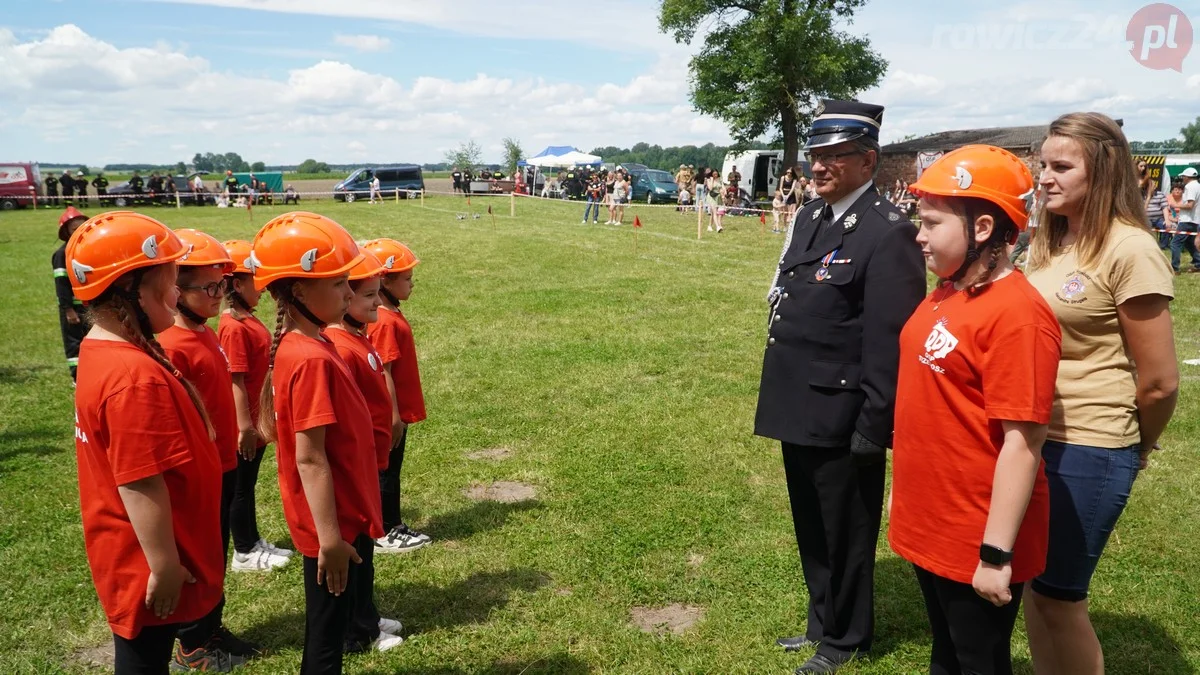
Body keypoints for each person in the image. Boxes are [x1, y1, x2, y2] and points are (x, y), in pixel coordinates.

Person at [756, 99, 925, 675]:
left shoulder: (886, 232)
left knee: (847, 529)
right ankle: (820, 619)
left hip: (844, 410)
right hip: (799, 398)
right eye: (815, 155)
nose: (818, 166)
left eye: (833, 156)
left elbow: (888, 340)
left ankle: (847, 637)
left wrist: (873, 426)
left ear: (867, 160)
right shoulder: (812, 217)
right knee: (811, 519)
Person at [890, 145, 1062, 675]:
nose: (919, 235)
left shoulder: (1018, 317)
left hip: (975, 532)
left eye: (932, 223)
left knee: (977, 661)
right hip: (933, 516)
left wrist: (994, 555)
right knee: (946, 654)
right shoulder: (947, 291)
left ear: (983, 227)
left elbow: (1023, 442)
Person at [1023, 112, 1179, 675]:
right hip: (1033, 436)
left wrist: (1137, 448)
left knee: (1060, 598)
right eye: (1044, 164)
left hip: (1089, 444)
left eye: (1061, 166)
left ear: (1105, 170)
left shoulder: (1130, 249)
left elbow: (1160, 381)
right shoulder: (1052, 239)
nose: (1045, 176)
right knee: (1036, 590)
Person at [68, 211, 225, 674]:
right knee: (143, 662)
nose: (176, 293)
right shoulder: (132, 377)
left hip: (134, 552)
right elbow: (140, 480)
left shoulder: (103, 350)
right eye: (169, 280)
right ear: (129, 289)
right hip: (148, 561)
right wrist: (164, 565)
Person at [252, 211, 387, 673]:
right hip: (329, 525)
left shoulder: (315, 343)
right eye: (338, 285)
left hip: (336, 516)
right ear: (297, 292)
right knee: (326, 643)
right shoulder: (309, 357)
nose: (350, 294)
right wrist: (329, 540)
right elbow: (310, 460)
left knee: (328, 629)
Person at [158, 229, 262, 670]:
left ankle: (211, 626)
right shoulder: (170, 346)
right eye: (209, 288)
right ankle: (192, 642)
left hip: (223, 463)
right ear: (175, 290)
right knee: (198, 556)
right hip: (200, 471)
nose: (219, 295)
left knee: (215, 552)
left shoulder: (207, 332)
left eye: (223, 285)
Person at [324, 250, 406, 655]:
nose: (377, 302)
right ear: (344, 299)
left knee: (367, 547)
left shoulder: (359, 337)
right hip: (355, 467)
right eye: (369, 295)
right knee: (357, 552)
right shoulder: (342, 346)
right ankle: (356, 630)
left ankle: (365, 615)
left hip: (370, 462)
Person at [217, 239, 294, 573]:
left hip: (257, 421)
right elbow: (235, 379)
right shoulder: (233, 326)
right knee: (241, 488)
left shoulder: (245, 319)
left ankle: (252, 539)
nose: (261, 288)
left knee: (247, 485)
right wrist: (245, 428)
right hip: (246, 425)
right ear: (237, 283)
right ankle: (244, 550)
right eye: (254, 281)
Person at [362, 238, 430, 553]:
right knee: (387, 471)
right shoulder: (384, 321)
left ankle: (392, 524)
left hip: (397, 412)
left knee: (392, 468)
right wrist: (393, 417)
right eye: (407, 278)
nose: (412, 284)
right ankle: (386, 530)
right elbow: (383, 371)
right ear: (385, 280)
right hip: (391, 414)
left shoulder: (389, 313)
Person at [52, 207, 89, 381]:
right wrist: (68, 309)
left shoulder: (86, 249)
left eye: (82, 227)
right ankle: (78, 379)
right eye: (74, 229)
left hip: (89, 306)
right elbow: (61, 284)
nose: (79, 231)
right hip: (73, 308)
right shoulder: (62, 254)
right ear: (66, 231)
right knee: (75, 343)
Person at [1169, 167, 1200, 273]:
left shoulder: (1189, 187)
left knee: (1175, 244)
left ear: (1187, 177)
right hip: (1195, 220)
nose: (1182, 178)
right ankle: (1198, 263)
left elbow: (1190, 205)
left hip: (1187, 219)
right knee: (1189, 243)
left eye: (1183, 176)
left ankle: (1175, 268)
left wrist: (1176, 205)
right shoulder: (1198, 186)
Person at [1146, 181, 1170, 250]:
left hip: (1159, 218)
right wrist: (1148, 196)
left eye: (1153, 186)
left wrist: (1167, 220)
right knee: (1146, 227)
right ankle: (1149, 244)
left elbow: (1164, 208)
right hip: (1147, 218)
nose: (1151, 187)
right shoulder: (1142, 195)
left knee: (1166, 226)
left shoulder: (1161, 195)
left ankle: (1162, 246)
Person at [1163, 182, 1184, 250]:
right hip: (1168, 218)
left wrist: (1178, 219)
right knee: (1168, 224)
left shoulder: (1185, 199)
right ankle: (1166, 244)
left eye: (1180, 189)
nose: (1177, 191)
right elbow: (1164, 210)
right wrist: (1170, 218)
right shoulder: (1167, 197)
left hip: (1181, 218)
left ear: (1183, 191)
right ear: (1171, 191)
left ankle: (1177, 244)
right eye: (1175, 189)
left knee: (1181, 226)